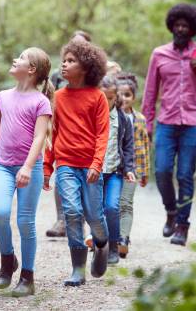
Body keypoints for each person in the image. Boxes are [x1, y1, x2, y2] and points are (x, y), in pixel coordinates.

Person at [142, 3, 196, 246]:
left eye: (186, 26)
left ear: (192, 29)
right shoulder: (159, 54)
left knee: (185, 175)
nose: (181, 29)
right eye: (177, 25)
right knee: (161, 171)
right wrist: (146, 125)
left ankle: (182, 225)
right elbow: (150, 92)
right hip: (166, 123)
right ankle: (170, 211)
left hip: (193, 123)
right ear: (172, 26)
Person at [0, 47, 53, 297]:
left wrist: (28, 166)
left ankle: (27, 277)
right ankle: (8, 260)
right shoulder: (3, 96)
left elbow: (39, 138)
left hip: (28, 170)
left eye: (21, 58)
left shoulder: (41, 102)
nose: (15, 60)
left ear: (31, 70)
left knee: (25, 222)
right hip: (3, 165)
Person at [43, 38, 110, 287]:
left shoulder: (97, 97)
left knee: (94, 216)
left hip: (90, 166)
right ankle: (78, 269)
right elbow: (53, 133)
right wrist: (48, 167)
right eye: (64, 60)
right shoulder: (58, 97)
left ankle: (102, 244)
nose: (64, 64)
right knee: (72, 213)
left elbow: (103, 133)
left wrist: (96, 163)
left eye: (71, 61)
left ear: (86, 68)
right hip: (66, 165)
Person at [46, 30, 92, 237]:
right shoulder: (58, 75)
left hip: (84, 132)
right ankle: (61, 220)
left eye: (81, 45)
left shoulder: (93, 75)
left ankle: (78, 221)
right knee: (62, 173)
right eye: (72, 44)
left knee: (82, 177)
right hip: (62, 130)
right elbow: (49, 101)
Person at [98, 75, 136, 265]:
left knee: (112, 207)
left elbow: (128, 146)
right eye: (103, 97)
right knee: (95, 211)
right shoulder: (91, 116)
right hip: (94, 173)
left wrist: (129, 168)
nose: (106, 101)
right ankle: (100, 245)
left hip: (114, 172)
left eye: (111, 98)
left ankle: (114, 246)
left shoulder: (123, 119)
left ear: (116, 98)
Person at [116, 72, 150, 258]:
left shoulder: (140, 119)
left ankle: (123, 238)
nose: (124, 98)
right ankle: (106, 238)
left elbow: (144, 146)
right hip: (113, 168)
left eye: (127, 95)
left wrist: (144, 172)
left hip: (133, 170)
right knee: (112, 204)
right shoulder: (111, 116)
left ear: (134, 97)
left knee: (126, 204)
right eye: (120, 94)